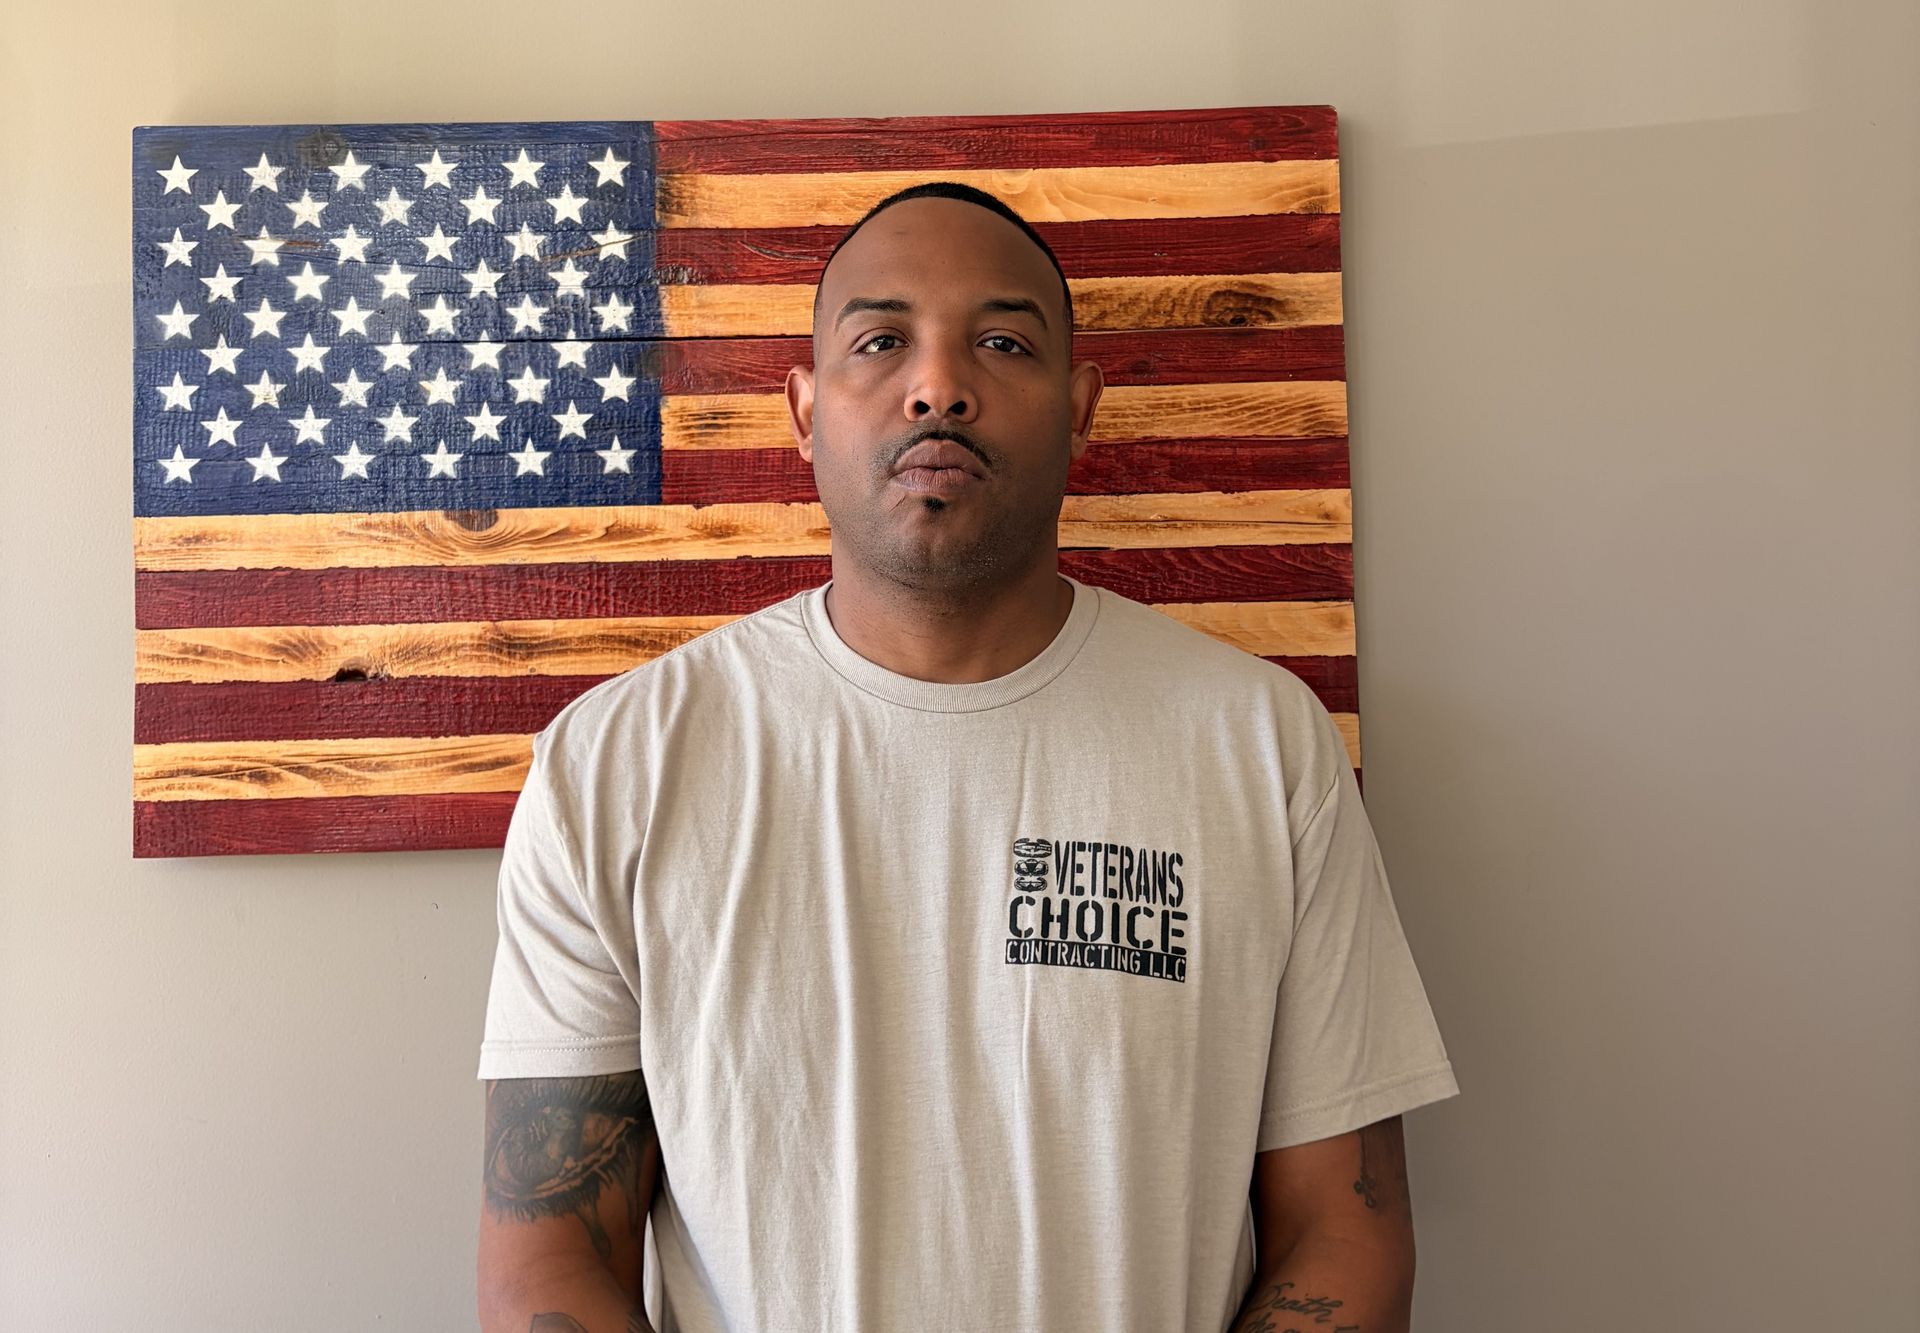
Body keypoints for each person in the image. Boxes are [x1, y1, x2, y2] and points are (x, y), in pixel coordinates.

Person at [475, 181, 1459, 1333]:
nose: (939, 386)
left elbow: (1341, 1230)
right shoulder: (618, 767)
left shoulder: (1258, 742)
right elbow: (547, 1261)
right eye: (881, 340)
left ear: (1082, 407)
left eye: (1000, 341)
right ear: (803, 410)